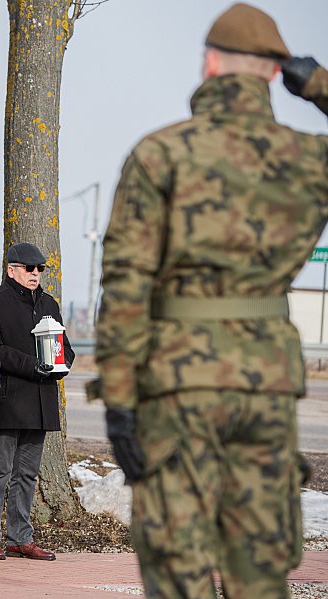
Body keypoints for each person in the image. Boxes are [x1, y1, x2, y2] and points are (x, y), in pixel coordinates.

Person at [95, 5, 328, 597]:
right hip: (267, 388)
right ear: (274, 73)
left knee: (178, 566)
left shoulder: (162, 153)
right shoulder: (308, 159)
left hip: (179, 386)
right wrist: (320, 86)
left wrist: (119, 402)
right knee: (259, 571)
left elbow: (126, 284)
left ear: (210, 63)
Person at [0, 242, 73, 561]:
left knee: (28, 475)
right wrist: (32, 365)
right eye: (29, 268)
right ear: (11, 270)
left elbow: (64, 346)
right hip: (7, 398)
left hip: (41, 401)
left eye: (40, 269)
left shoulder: (48, 303)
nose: (35, 273)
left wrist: (63, 363)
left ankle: (20, 537)